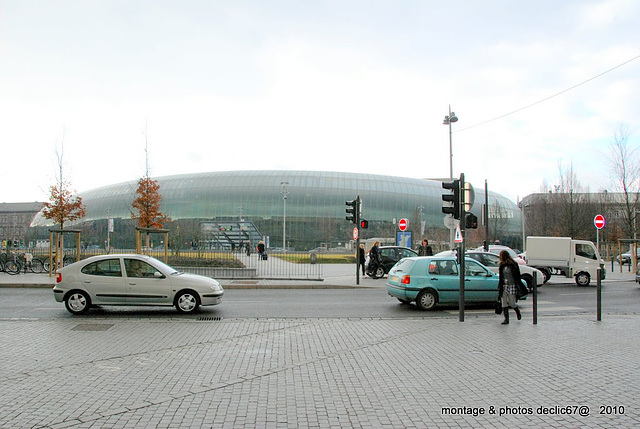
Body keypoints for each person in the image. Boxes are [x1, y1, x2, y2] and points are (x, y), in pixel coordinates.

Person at [497, 250, 522, 324]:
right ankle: (506, 319)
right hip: (504, 285)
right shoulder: (502, 265)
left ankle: (517, 310)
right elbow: (501, 277)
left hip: (512, 285)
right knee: (503, 302)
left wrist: (518, 285)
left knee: (512, 303)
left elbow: (517, 276)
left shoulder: (513, 264)